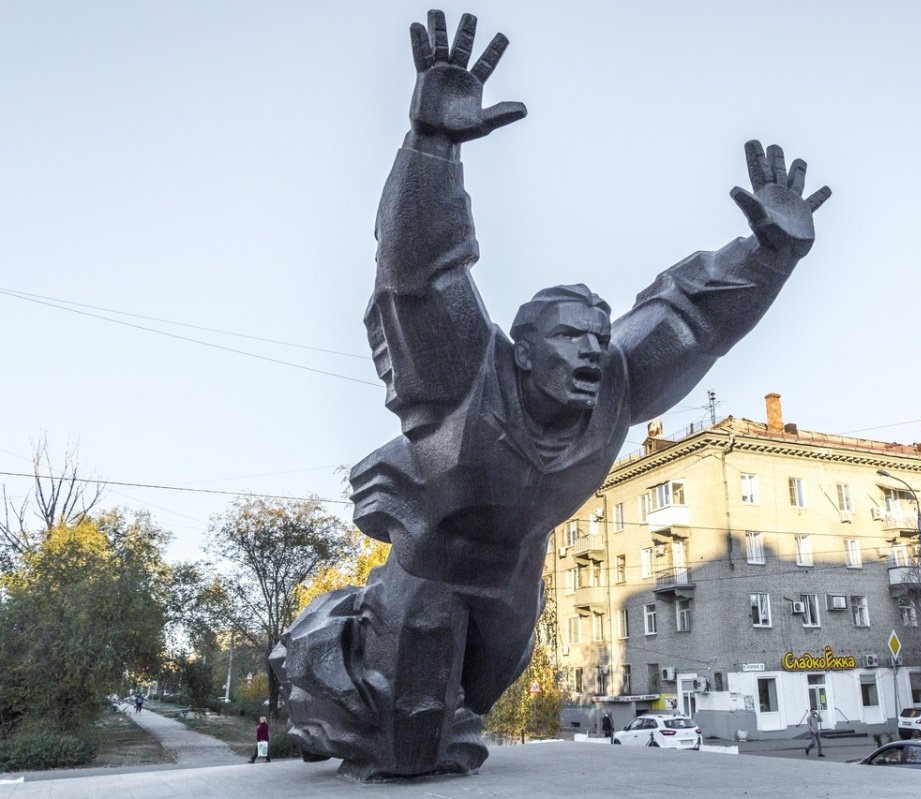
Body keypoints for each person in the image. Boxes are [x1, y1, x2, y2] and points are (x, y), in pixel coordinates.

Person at [273, 9, 830, 780]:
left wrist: (769, 254)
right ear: (523, 351)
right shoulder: (468, 372)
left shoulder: (618, 380)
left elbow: (693, 317)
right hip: (431, 564)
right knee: (409, 746)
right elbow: (419, 273)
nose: (591, 357)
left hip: (512, 575)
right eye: (570, 342)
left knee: (479, 691)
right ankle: (324, 656)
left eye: (598, 342)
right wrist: (432, 148)